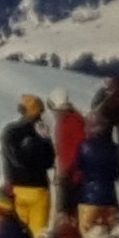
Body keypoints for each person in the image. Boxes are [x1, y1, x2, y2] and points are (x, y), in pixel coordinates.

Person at [1, 95, 56, 238]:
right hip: (39, 189)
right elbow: (50, 160)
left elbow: (13, 159)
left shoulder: (9, 131)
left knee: (18, 236)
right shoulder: (41, 130)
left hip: (16, 189)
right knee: (39, 236)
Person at [72, 114, 119, 233]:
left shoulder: (83, 146)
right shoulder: (114, 148)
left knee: (87, 234)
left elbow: (78, 168)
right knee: (109, 236)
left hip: (88, 197)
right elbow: (117, 174)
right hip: (109, 197)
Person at [51, 89, 86, 218]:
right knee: (65, 210)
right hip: (66, 172)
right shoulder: (66, 120)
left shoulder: (72, 121)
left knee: (68, 211)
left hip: (72, 174)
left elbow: (79, 147)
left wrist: (71, 171)